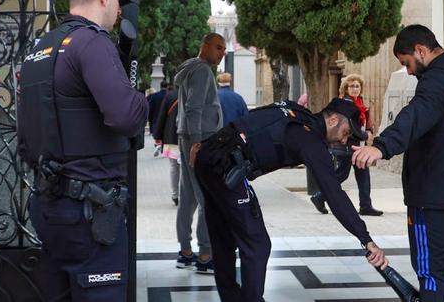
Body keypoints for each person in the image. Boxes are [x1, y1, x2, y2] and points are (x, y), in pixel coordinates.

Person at [17, 0, 148, 301]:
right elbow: (127, 117)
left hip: (50, 204)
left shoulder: (41, 48)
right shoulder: (93, 43)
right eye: (120, 0)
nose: (120, 11)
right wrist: (138, 93)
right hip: (89, 213)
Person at [194, 98, 388, 302]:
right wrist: (365, 239)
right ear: (332, 120)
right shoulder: (309, 139)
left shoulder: (296, 112)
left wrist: (208, 144)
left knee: (223, 238)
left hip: (209, 159)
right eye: (346, 133)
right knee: (258, 244)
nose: (343, 141)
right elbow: (334, 194)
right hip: (224, 168)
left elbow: (249, 120)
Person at [352, 24, 444, 302]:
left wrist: (381, 146)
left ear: (421, 51)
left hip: (432, 194)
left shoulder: (437, 81)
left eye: (407, 63)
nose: (409, 71)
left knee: (431, 271)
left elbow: (416, 115)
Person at [172, 33, 226, 274]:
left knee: (188, 196)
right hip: (199, 138)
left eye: (224, 49)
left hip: (188, 135)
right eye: (218, 47)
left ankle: (185, 251)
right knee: (208, 197)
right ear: (204, 46)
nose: (222, 52)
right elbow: (194, 108)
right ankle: (205, 254)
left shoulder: (189, 67)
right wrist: (196, 143)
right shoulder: (202, 70)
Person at [310, 74, 383, 216]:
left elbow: (364, 125)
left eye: (357, 86)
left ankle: (365, 206)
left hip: (358, 146)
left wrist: (369, 129)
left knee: (363, 175)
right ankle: (319, 196)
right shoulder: (344, 104)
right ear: (346, 88)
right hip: (345, 147)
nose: (355, 89)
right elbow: (349, 128)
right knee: (342, 174)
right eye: (352, 86)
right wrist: (364, 135)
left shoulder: (361, 104)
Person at [154, 85, 181, 206]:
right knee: (188, 168)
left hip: (171, 137)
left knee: (174, 167)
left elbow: (162, 117)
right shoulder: (195, 93)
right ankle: (188, 194)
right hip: (190, 137)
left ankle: (175, 195)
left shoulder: (170, 96)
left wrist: (157, 136)